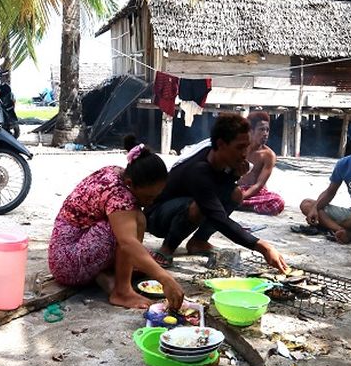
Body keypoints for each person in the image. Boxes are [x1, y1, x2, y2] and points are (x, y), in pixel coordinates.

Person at [48, 140, 184, 310]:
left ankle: (104, 277)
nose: (151, 203)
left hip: (65, 251)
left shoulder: (118, 172)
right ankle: (122, 291)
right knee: (135, 222)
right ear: (130, 184)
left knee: (143, 254)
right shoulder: (121, 197)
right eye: (148, 197)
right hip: (67, 263)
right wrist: (165, 279)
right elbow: (127, 243)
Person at [145, 113, 288, 271]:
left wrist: (234, 175)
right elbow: (217, 216)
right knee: (199, 206)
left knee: (236, 194)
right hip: (158, 217)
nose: (244, 153)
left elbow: (223, 189)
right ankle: (167, 249)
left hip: (185, 205)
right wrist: (262, 246)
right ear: (221, 144)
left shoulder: (223, 159)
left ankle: (199, 241)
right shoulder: (199, 169)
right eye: (239, 147)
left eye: (246, 147)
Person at [238, 111, 285, 215]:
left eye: (267, 130)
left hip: (255, 193)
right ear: (251, 130)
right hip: (237, 189)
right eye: (261, 129)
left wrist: (242, 197)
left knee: (278, 202)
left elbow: (259, 184)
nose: (265, 134)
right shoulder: (240, 148)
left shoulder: (268, 155)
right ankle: (239, 203)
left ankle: (240, 204)